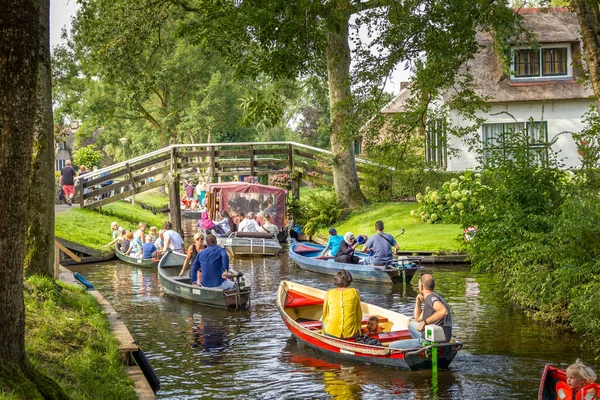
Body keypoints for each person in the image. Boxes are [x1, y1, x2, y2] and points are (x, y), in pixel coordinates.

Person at [389, 274, 452, 349]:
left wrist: (424, 322)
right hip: (444, 338)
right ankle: (418, 346)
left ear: (421, 286)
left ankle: (420, 348)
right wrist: (417, 301)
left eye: (418, 285)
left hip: (431, 342)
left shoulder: (430, 298)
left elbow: (443, 311)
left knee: (392, 346)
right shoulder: (436, 297)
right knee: (411, 324)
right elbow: (417, 318)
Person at [322, 270, 362, 339]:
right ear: (349, 281)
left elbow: (325, 313)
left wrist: (323, 330)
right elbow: (358, 313)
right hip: (351, 334)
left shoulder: (328, 293)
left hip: (331, 333)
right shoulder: (355, 292)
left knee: (324, 320)